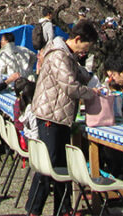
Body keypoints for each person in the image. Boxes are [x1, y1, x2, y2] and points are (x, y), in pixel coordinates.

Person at [25, 20, 99, 216]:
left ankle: (63, 209)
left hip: (60, 116)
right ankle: (33, 210)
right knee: (48, 166)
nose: (86, 52)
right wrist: (92, 93)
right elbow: (70, 86)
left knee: (62, 166)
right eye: (86, 46)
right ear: (77, 39)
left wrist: (91, 80)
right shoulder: (59, 55)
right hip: (51, 115)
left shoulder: (67, 55)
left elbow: (78, 74)